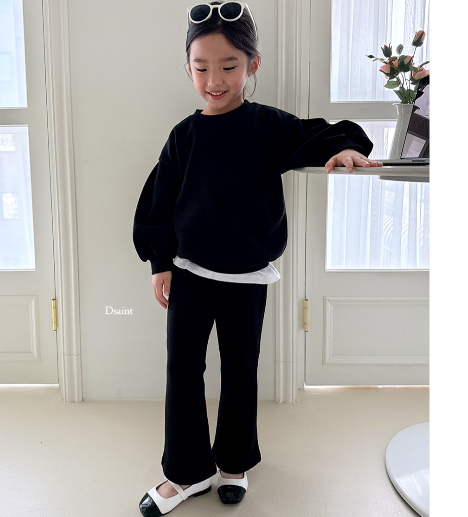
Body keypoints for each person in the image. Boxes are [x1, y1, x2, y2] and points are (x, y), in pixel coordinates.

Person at [133, 2, 382, 515]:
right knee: (183, 370)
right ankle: (185, 473)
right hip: (189, 274)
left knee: (241, 369)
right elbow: (158, 201)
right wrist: (160, 263)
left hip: (247, 277)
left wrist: (344, 149)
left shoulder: (269, 127)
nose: (214, 80)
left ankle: (234, 464)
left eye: (229, 66)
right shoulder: (184, 136)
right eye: (201, 68)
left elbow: (326, 135)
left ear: (253, 65)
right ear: (188, 68)